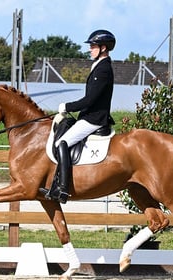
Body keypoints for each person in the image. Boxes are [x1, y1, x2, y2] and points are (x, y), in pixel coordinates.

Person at [40, 29, 116, 203]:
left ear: (103, 48)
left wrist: (67, 106)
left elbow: (90, 100)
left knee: (62, 143)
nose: (90, 49)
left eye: (93, 46)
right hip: (89, 116)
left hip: (94, 119)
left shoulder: (103, 69)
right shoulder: (99, 66)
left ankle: (62, 189)